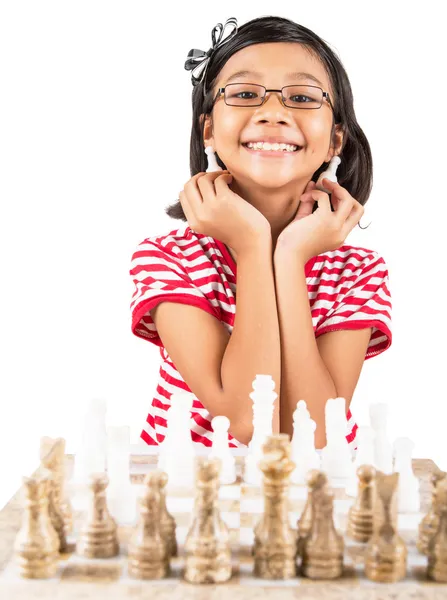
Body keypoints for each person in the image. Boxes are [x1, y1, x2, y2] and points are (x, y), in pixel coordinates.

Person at [129, 15, 392, 450]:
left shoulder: (359, 272)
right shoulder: (167, 259)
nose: (273, 113)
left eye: (304, 97)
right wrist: (253, 247)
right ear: (208, 128)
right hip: (187, 503)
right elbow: (249, 423)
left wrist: (288, 259)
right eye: (246, 94)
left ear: (335, 141)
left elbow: (316, 436)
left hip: (312, 508)